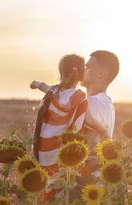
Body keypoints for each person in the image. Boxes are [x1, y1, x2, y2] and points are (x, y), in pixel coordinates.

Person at [30, 54, 110, 202]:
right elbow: (90, 121)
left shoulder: (53, 91)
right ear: (79, 74)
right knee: (62, 185)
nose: (87, 69)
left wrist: (35, 83)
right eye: (85, 67)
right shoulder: (79, 97)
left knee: (48, 184)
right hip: (62, 154)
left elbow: (43, 86)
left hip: (45, 150)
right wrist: (104, 131)